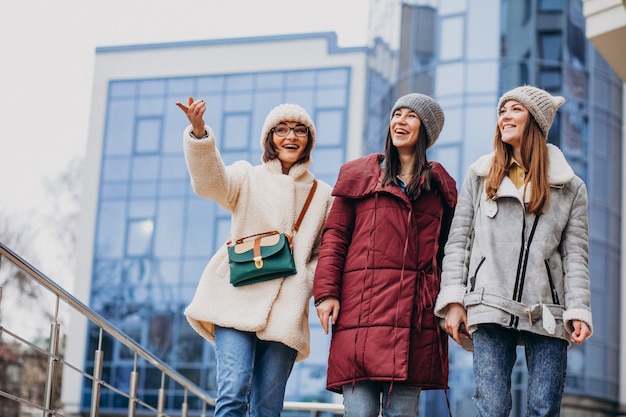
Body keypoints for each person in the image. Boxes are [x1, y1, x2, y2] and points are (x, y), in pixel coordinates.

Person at [435, 85, 593, 417]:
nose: (504, 116)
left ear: (535, 121)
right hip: (487, 303)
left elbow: (576, 255)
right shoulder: (479, 176)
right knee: (492, 408)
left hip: (548, 311)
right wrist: (454, 300)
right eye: (501, 110)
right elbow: (459, 241)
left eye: (515, 109)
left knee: (544, 407)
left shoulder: (570, 186)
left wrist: (578, 310)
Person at [176, 97, 333, 417]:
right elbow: (210, 184)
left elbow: (325, 251)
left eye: (300, 130)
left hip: (287, 308)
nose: (291, 136)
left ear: (309, 140)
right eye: (282, 129)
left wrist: (305, 279)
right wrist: (199, 133)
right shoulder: (247, 175)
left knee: (267, 408)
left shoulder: (322, 193)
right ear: (269, 138)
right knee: (232, 392)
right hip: (235, 295)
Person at [314, 93, 457, 416]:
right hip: (360, 312)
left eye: (410, 116)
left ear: (426, 131)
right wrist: (325, 293)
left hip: (415, 321)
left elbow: (450, 252)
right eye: (397, 114)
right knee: (359, 411)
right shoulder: (359, 176)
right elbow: (334, 237)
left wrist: (449, 301)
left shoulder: (439, 189)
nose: (400, 122)